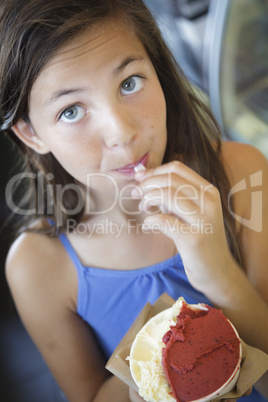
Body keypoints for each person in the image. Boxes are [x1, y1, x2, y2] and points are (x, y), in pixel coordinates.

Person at [0, 0, 267, 401]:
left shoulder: (243, 175)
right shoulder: (38, 267)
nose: (121, 133)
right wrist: (155, 352)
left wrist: (219, 276)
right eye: (72, 110)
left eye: (130, 83)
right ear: (32, 133)